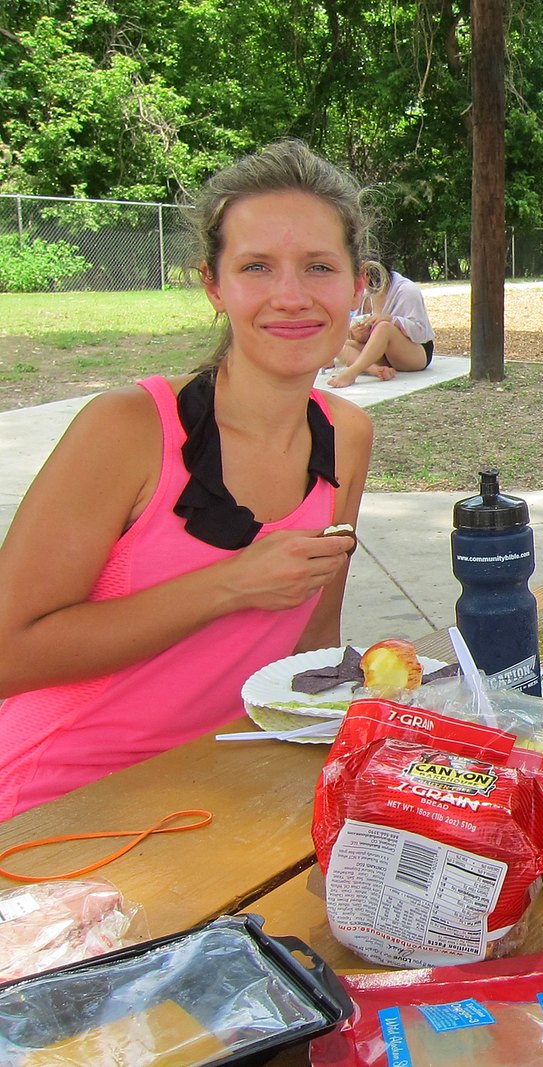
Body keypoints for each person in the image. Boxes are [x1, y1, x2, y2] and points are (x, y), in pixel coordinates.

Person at [0, 140, 373, 820]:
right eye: (256, 267)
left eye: (319, 267)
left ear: (358, 284)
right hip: (53, 803)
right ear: (214, 285)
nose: (291, 296)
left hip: (220, 796)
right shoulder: (129, 428)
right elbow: (9, 653)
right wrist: (231, 584)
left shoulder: (347, 435)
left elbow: (311, 652)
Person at [327, 264, 434, 388]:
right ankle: (376, 370)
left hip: (416, 352)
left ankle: (352, 372)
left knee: (384, 327)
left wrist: (391, 320)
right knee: (338, 344)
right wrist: (358, 335)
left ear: (366, 274)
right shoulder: (366, 295)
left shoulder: (407, 290)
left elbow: (421, 333)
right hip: (385, 354)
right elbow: (362, 331)